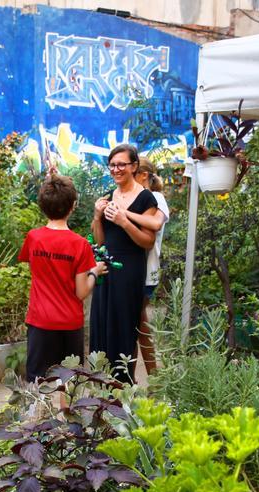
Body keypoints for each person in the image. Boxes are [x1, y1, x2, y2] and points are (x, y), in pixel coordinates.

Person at [19, 172, 109, 384]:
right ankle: (68, 416)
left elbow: (37, 270)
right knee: (69, 382)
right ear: (72, 206)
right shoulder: (79, 244)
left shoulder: (33, 238)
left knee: (36, 381)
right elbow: (81, 292)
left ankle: (37, 417)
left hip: (39, 320)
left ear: (42, 205)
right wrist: (94, 272)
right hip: (69, 323)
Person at [91, 144, 159, 383]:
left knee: (124, 326)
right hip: (106, 268)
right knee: (101, 323)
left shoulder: (145, 198)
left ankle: (123, 384)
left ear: (134, 166)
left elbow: (147, 242)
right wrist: (98, 216)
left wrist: (124, 221)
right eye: (112, 165)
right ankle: (101, 383)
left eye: (121, 164)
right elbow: (100, 241)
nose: (116, 169)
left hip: (130, 270)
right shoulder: (109, 196)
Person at [129, 160, 169, 375]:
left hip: (145, 273)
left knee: (137, 326)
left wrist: (123, 215)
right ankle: (144, 378)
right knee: (138, 325)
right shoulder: (136, 198)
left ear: (143, 175)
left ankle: (147, 378)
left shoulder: (156, 199)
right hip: (134, 272)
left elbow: (154, 225)